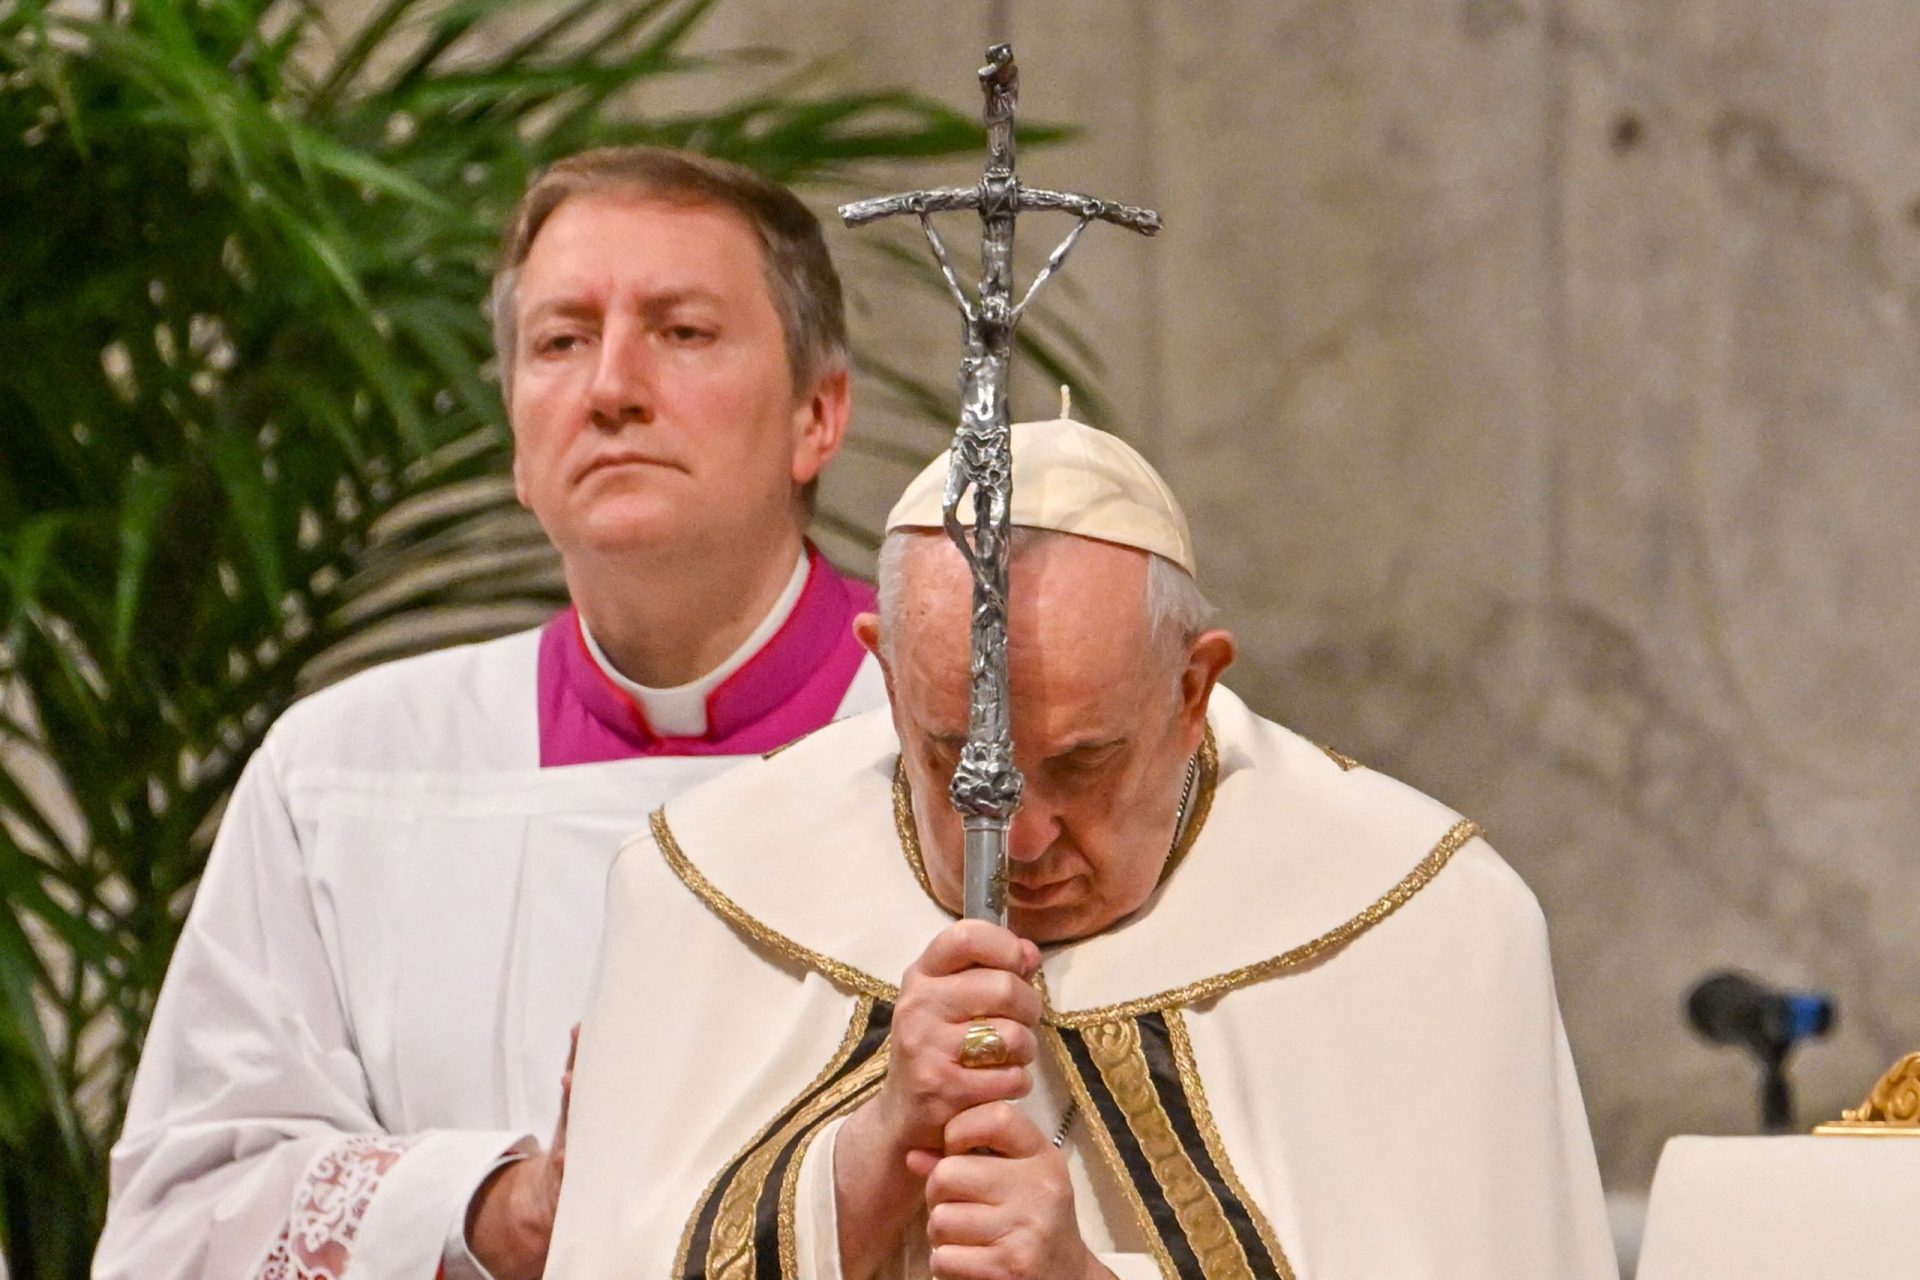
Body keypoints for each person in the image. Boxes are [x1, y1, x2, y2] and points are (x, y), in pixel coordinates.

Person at [545, 415, 1618, 1279]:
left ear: (1195, 685)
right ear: (881, 670)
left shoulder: (1425, 922)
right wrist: (874, 1156)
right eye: (956, 762)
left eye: (1083, 763)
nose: (1017, 836)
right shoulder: (705, 886)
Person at [95, 146, 887, 1280]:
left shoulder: (982, 749)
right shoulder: (342, 775)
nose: (612, 386)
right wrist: (494, 1205)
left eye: (682, 331)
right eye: (561, 341)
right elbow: (175, 1223)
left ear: (819, 413)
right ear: (520, 440)